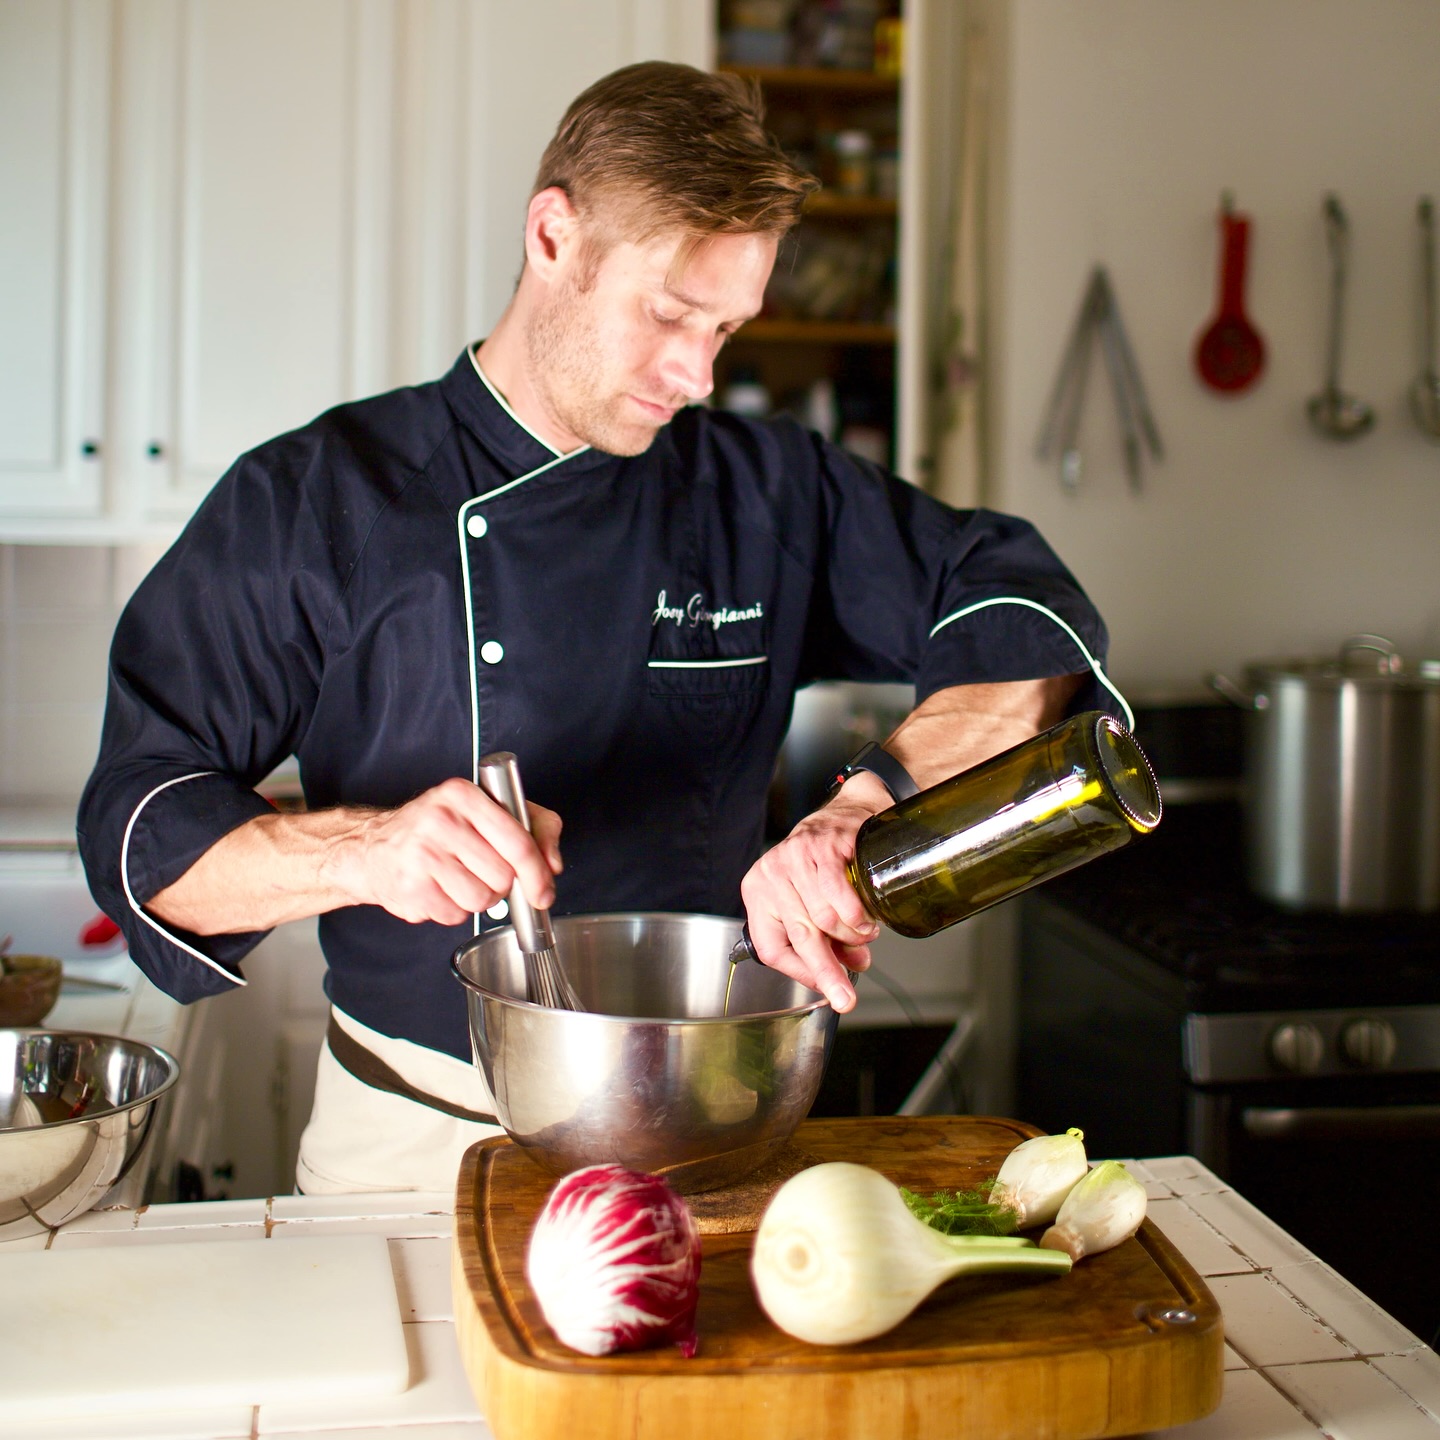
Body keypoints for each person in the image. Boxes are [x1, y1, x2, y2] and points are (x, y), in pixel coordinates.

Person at [78, 62, 1123, 1194]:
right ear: (552, 239)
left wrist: (871, 804)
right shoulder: (317, 501)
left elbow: (1025, 609)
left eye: (726, 328)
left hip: (713, 1136)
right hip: (415, 1145)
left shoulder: (764, 492)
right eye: (671, 314)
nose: (697, 373)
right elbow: (141, 832)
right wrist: (366, 853)